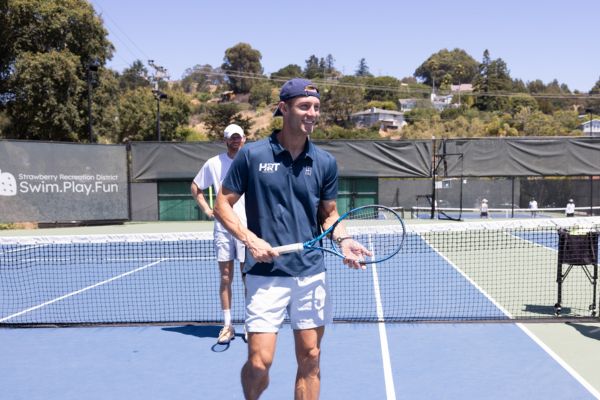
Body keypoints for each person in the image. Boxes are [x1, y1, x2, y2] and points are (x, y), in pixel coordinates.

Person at [213, 78, 371, 400]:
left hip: (311, 272)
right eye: (304, 106)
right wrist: (249, 240)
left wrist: (344, 239)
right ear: (283, 108)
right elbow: (222, 203)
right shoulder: (252, 155)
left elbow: (328, 213)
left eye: (315, 107)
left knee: (310, 357)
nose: (311, 113)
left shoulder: (325, 162)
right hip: (264, 274)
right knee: (259, 363)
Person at [191, 124, 247, 345]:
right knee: (226, 277)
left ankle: (250, 324)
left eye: (239, 137)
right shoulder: (213, 164)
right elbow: (196, 187)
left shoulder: (251, 161)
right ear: (226, 140)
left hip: (246, 229)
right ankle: (227, 325)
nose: (236, 140)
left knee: (247, 278)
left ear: (244, 138)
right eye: (232, 138)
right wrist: (207, 209)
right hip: (223, 229)